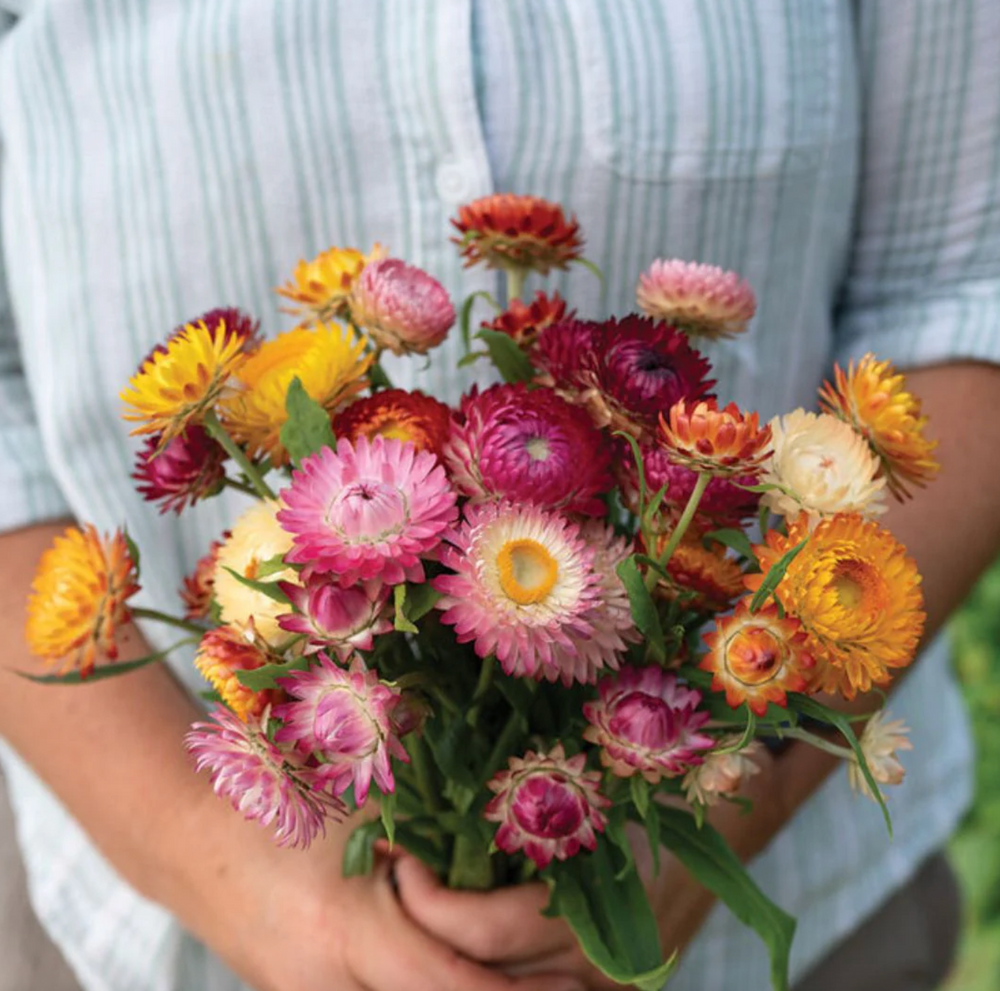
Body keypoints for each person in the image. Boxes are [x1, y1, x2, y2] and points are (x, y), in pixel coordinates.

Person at [0, 1, 997, 989]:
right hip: (164, 929)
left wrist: (743, 791)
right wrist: (224, 867)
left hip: (807, 909)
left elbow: (965, 293)